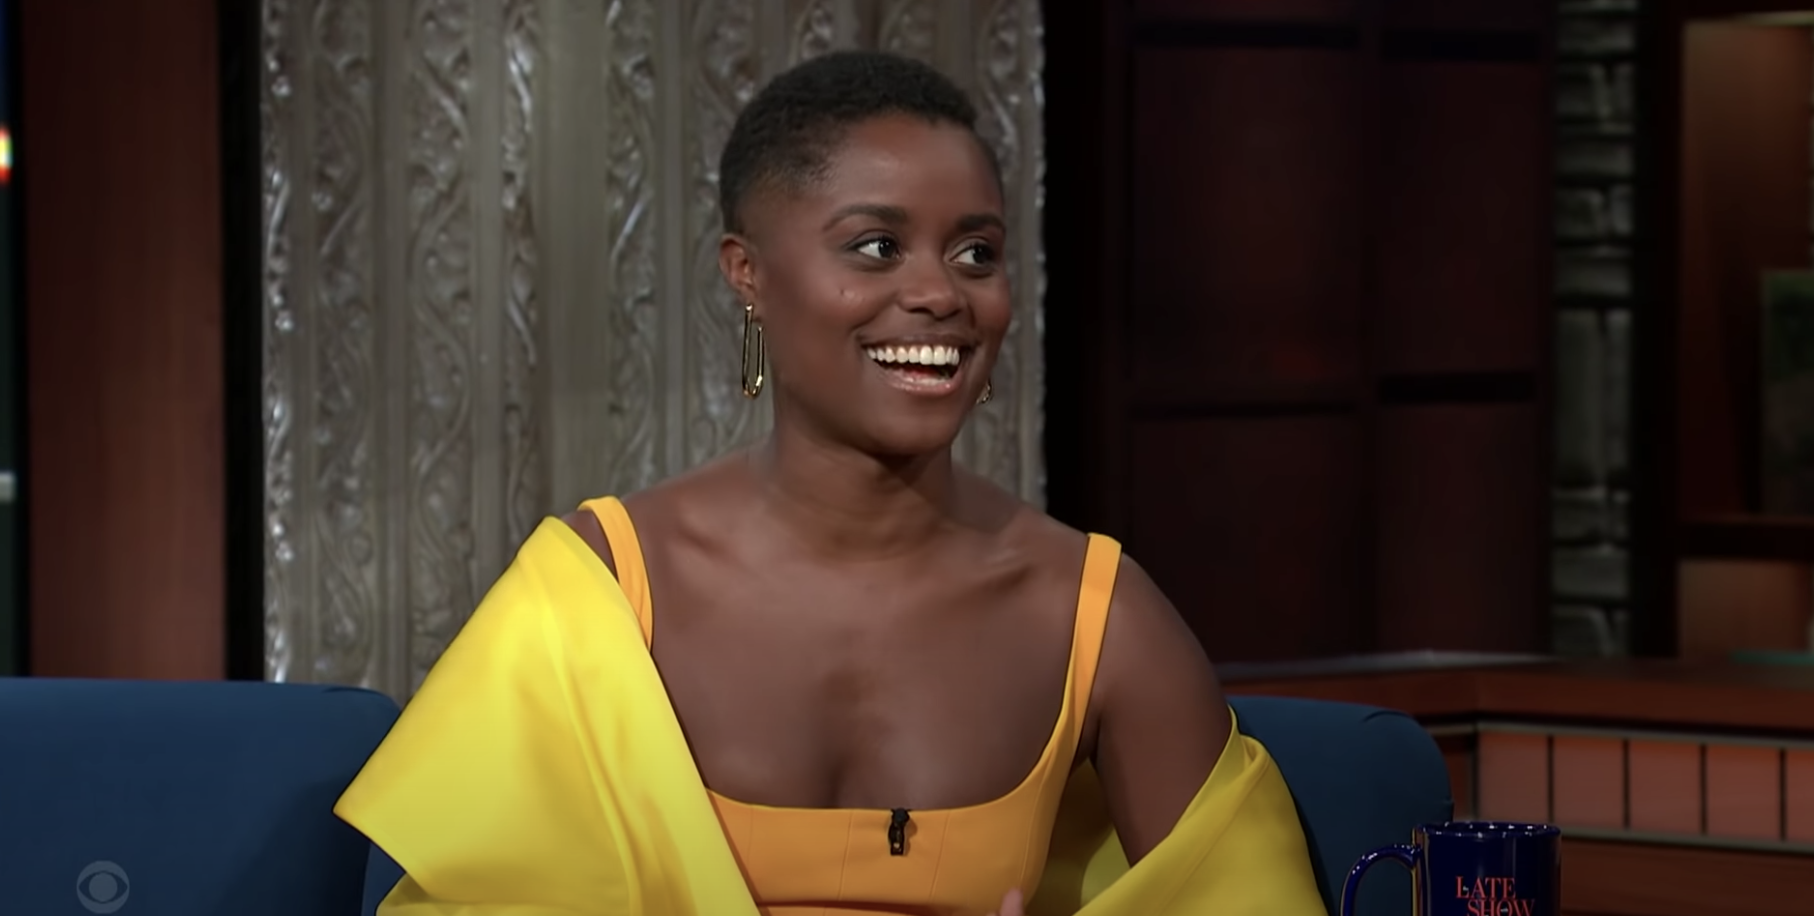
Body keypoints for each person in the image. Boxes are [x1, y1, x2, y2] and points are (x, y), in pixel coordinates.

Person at [334, 50, 1323, 916]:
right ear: (747, 274)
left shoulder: (1095, 616)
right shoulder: (590, 597)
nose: (939, 293)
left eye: (975, 252)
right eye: (875, 247)